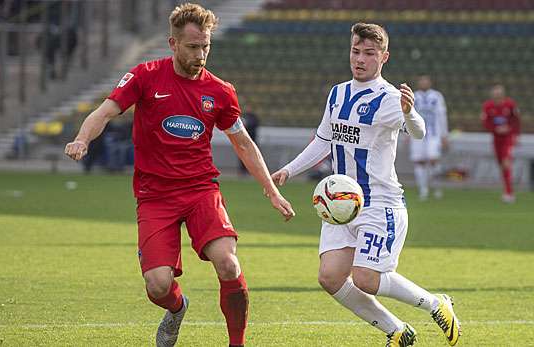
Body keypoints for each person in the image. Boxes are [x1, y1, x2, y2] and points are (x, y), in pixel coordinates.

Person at [65, 4, 295, 347]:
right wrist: (82, 139)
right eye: (192, 47)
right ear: (173, 44)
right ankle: (176, 307)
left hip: (201, 190)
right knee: (158, 286)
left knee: (228, 265)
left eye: (205, 46)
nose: (200, 54)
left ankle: (238, 344)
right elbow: (105, 111)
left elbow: (243, 144)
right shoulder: (145, 76)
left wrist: (271, 192)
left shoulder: (220, 91)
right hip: (155, 194)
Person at [271, 23, 461, 347]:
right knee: (330, 277)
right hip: (340, 205)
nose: (360, 59)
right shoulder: (338, 93)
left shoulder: (389, 98)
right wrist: (288, 171)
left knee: (366, 278)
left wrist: (410, 112)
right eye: (355, 51)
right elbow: (323, 141)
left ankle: (436, 304)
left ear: (383, 57)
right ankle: (397, 330)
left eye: (369, 54)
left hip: (378, 202)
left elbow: (419, 132)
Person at [410, 75, 449, 201]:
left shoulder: (437, 96)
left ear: (430, 83)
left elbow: (442, 115)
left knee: (433, 160)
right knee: (419, 161)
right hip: (417, 134)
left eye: (426, 81)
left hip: (434, 133)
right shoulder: (413, 96)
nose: (424, 83)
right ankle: (423, 189)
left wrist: (444, 135)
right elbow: (407, 115)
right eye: (422, 81)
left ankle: (436, 187)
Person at [481, 84, 520, 203]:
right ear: (492, 94)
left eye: (499, 92)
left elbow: (516, 120)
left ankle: (509, 193)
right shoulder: (487, 106)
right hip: (496, 139)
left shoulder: (510, 104)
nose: (497, 94)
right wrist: (494, 129)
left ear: (503, 93)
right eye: (495, 92)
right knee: (502, 165)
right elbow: (485, 122)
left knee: (506, 162)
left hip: (508, 138)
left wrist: (515, 134)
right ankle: (507, 190)